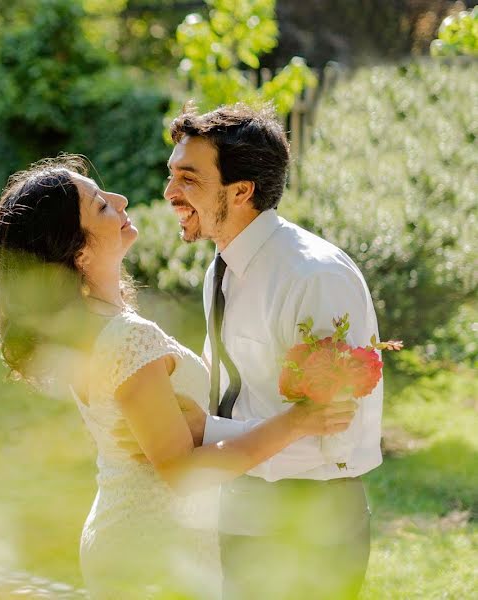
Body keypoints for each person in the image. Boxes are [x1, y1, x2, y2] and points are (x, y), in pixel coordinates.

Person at [0, 156, 356, 599]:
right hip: (155, 552)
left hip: (136, 539)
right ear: (78, 252)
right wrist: (298, 422)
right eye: (100, 206)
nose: (119, 200)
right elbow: (181, 471)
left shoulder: (91, 327)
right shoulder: (125, 337)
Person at [164, 103, 382, 599]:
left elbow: (334, 437)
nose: (170, 193)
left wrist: (206, 432)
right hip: (240, 513)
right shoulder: (220, 267)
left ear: (241, 191)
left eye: (188, 179)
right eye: (172, 175)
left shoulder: (314, 277)